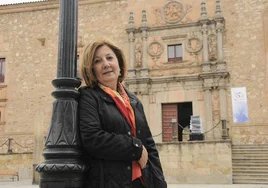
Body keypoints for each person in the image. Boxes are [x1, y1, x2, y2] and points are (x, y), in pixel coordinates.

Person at [78, 38, 167, 188]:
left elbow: (149, 144)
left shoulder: (133, 100)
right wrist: (135, 147)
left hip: (143, 182)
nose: (106, 64)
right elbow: (92, 138)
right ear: (91, 69)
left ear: (119, 63)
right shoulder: (88, 96)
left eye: (110, 57)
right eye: (97, 61)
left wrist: (159, 181)